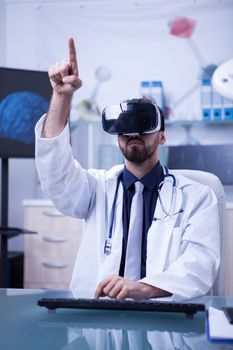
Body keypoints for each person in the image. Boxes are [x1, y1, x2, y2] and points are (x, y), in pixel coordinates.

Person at [35, 38, 220, 301]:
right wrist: (62, 96)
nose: (134, 133)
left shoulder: (198, 196)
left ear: (163, 136)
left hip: (165, 322)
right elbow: (55, 173)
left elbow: (200, 265)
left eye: (144, 125)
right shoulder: (95, 188)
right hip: (98, 322)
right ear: (116, 135)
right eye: (125, 128)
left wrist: (143, 288)